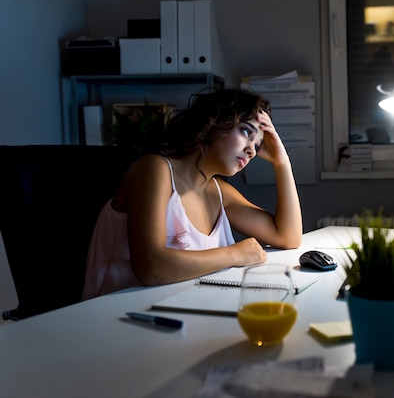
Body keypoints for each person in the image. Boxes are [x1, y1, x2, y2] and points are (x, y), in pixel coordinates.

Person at [82, 88, 302, 300]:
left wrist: (281, 163)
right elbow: (151, 267)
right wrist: (235, 254)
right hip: (116, 321)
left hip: (179, 314)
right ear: (214, 122)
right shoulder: (154, 169)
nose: (252, 150)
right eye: (246, 132)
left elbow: (288, 237)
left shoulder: (219, 192)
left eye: (258, 145)